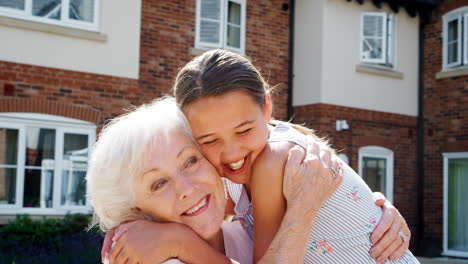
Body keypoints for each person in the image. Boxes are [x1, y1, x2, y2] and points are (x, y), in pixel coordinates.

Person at [104, 50, 413, 263]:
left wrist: (178, 243)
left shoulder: (272, 161)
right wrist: (133, 222)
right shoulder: (240, 172)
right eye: (209, 140)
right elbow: (190, 205)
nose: (232, 152)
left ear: (267, 108)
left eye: (243, 130)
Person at [88, 97, 342, 264]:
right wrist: (303, 208)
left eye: (191, 161)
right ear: (134, 210)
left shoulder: (248, 231)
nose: (187, 188)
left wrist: (374, 212)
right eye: (158, 184)